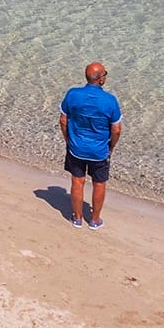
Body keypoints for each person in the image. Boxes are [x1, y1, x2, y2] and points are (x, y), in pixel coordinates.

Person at [58, 62, 123, 229]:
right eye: (105, 74)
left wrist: (68, 139)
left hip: (76, 148)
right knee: (99, 183)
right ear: (101, 79)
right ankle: (94, 220)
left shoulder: (73, 94)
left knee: (77, 181)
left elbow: (63, 120)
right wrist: (111, 147)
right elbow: (116, 130)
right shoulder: (110, 101)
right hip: (100, 150)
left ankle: (77, 218)